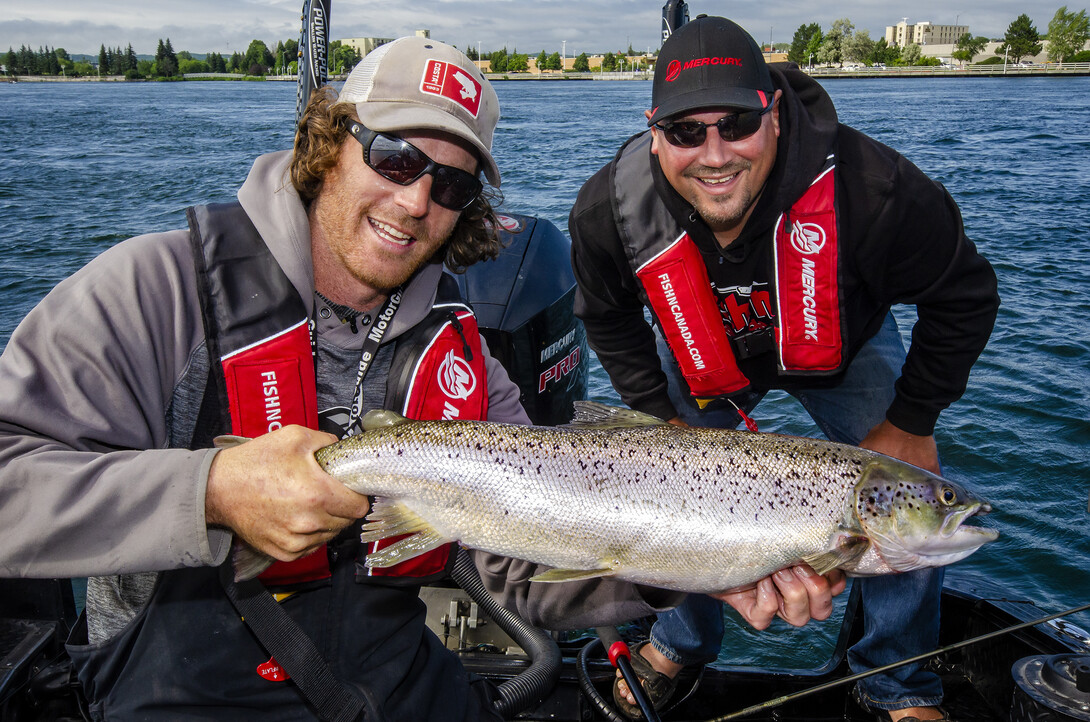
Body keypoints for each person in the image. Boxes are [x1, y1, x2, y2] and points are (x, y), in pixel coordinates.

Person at [1, 37, 540, 720]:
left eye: (453, 185)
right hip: (185, 696)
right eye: (395, 158)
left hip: (395, 682)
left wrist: (687, 571)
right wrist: (209, 493)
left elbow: (526, 564)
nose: (415, 200)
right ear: (330, 144)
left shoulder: (463, 357)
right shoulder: (155, 292)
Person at [567, 15, 999, 722]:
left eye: (736, 124)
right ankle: (681, 638)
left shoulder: (875, 188)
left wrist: (910, 421)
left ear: (774, 115)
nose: (713, 154)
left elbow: (967, 294)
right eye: (685, 132)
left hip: (843, 346)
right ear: (653, 134)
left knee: (904, 499)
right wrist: (664, 419)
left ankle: (898, 683)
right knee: (675, 494)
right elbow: (608, 318)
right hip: (701, 354)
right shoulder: (605, 211)